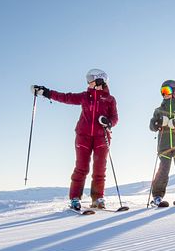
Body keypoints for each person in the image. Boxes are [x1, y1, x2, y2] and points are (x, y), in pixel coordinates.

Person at [31, 69, 118, 210]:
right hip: (83, 137)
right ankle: (75, 199)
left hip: (102, 138)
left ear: (100, 81)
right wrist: (46, 92)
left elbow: (115, 118)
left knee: (99, 169)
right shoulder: (85, 96)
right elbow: (66, 97)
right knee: (81, 168)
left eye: (91, 79)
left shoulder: (110, 100)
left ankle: (98, 198)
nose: (88, 82)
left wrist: (108, 122)